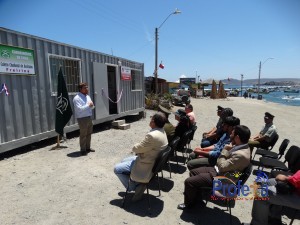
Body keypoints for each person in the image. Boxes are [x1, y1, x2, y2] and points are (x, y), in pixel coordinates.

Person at [177, 125, 251, 210]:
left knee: (189, 182)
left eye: (232, 134)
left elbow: (222, 166)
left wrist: (225, 150)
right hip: (218, 170)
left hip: (222, 179)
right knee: (193, 172)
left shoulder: (241, 155)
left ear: (237, 137)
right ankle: (197, 201)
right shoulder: (241, 145)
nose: (230, 135)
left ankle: (188, 205)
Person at [114, 112, 168, 201]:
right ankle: (136, 182)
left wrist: (136, 146)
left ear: (153, 122)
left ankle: (135, 186)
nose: (150, 120)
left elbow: (136, 149)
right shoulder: (162, 131)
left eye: (151, 118)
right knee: (124, 160)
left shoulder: (152, 136)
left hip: (145, 164)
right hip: (151, 160)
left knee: (117, 169)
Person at [73, 82, 95, 156]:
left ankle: (88, 148)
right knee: (83, 134)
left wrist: (91, 106)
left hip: (89, 117)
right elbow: (79, 109)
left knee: (89, 133)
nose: (87, 89)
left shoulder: (87, 96)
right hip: (82, 118)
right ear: (80, 89)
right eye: (85, 88)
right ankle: (83, 149)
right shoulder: (76, 98)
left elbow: (91, 106)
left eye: (87, 87)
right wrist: (88, 105)